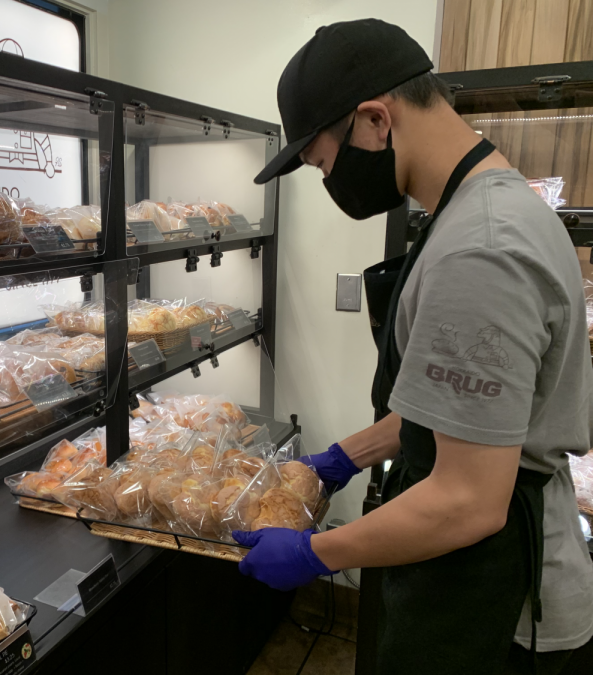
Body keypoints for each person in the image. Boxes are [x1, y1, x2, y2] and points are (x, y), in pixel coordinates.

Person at [234, 19, 593, 675]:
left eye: (321, 163)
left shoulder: (481, 249)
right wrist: (343, 456)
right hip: (476, 581)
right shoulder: (475, 209)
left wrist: (317, 553)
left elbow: (468, 498)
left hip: (501, 613)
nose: (328, 183)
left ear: (375, 121)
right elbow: (460, 410)